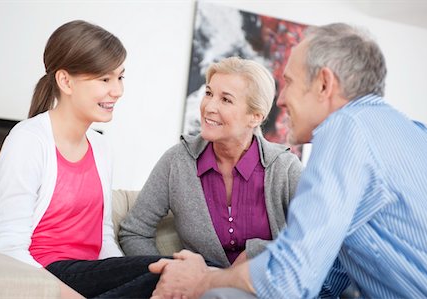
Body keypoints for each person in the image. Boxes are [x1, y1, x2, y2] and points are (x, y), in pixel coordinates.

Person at [148, 23, 427, 299]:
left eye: (290, 83)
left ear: (324, 84)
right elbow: (331, 267)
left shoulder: (345, 128)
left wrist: (204, 280)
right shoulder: (415, 133)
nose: (281, 100)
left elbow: (287, 278)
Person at [0, 20, 161, 299]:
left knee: (184, 276)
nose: (117, 90)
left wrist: (121, 275)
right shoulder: (28, 140)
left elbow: (102, 237)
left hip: (89, 276)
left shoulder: (101, 147)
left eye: (120, 77)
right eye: (105, 79)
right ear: (65, 81)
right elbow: (7, 246)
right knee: (169, 272)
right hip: (46, 275)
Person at [119, 57, 302, 268]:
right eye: (208, 93)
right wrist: (167, 271)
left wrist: (257, 252)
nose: (209, 107)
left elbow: (318, 238)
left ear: (255, 117)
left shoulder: (285, 168)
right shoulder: (177, 161)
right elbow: (134, 231)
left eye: (226, 100)